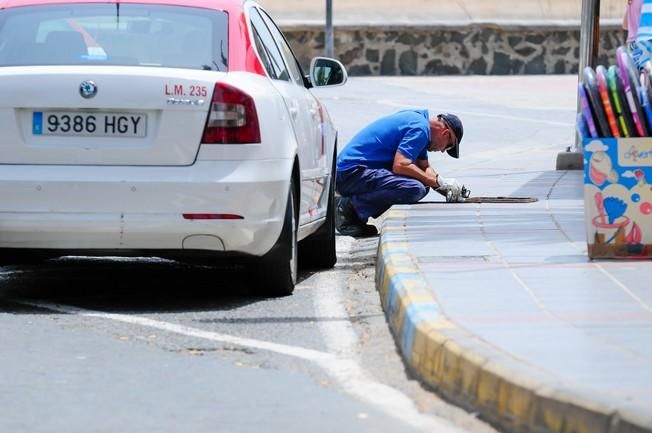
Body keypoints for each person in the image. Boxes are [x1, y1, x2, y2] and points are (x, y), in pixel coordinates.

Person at [335, 109, 465, 237]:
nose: (442, 151)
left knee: (423, 186)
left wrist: (443, 186)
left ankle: (354, 213)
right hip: (350, 172)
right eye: (447, 147)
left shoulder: (419, 122)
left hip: (353, 172)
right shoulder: (420, 129)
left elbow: (424, 167)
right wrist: (435, 182)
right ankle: (347, 209)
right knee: (413, 188)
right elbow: (401, 165)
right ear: (445, 134)